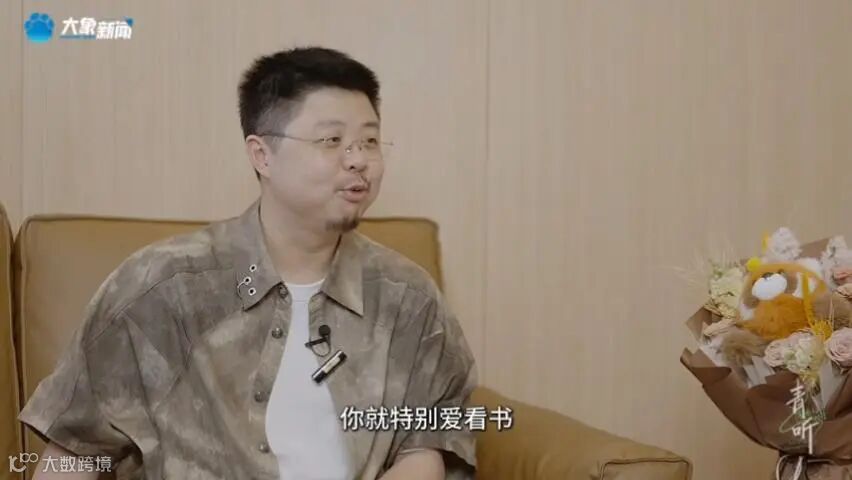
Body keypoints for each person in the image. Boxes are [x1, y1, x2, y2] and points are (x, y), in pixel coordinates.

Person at [18, 46, 478, 480]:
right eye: (332, 140)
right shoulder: (160, 289)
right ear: (263, 155)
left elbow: (424, 450)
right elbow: (74, 453)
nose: (358, 160)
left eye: (370, 141)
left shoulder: (407, 298)